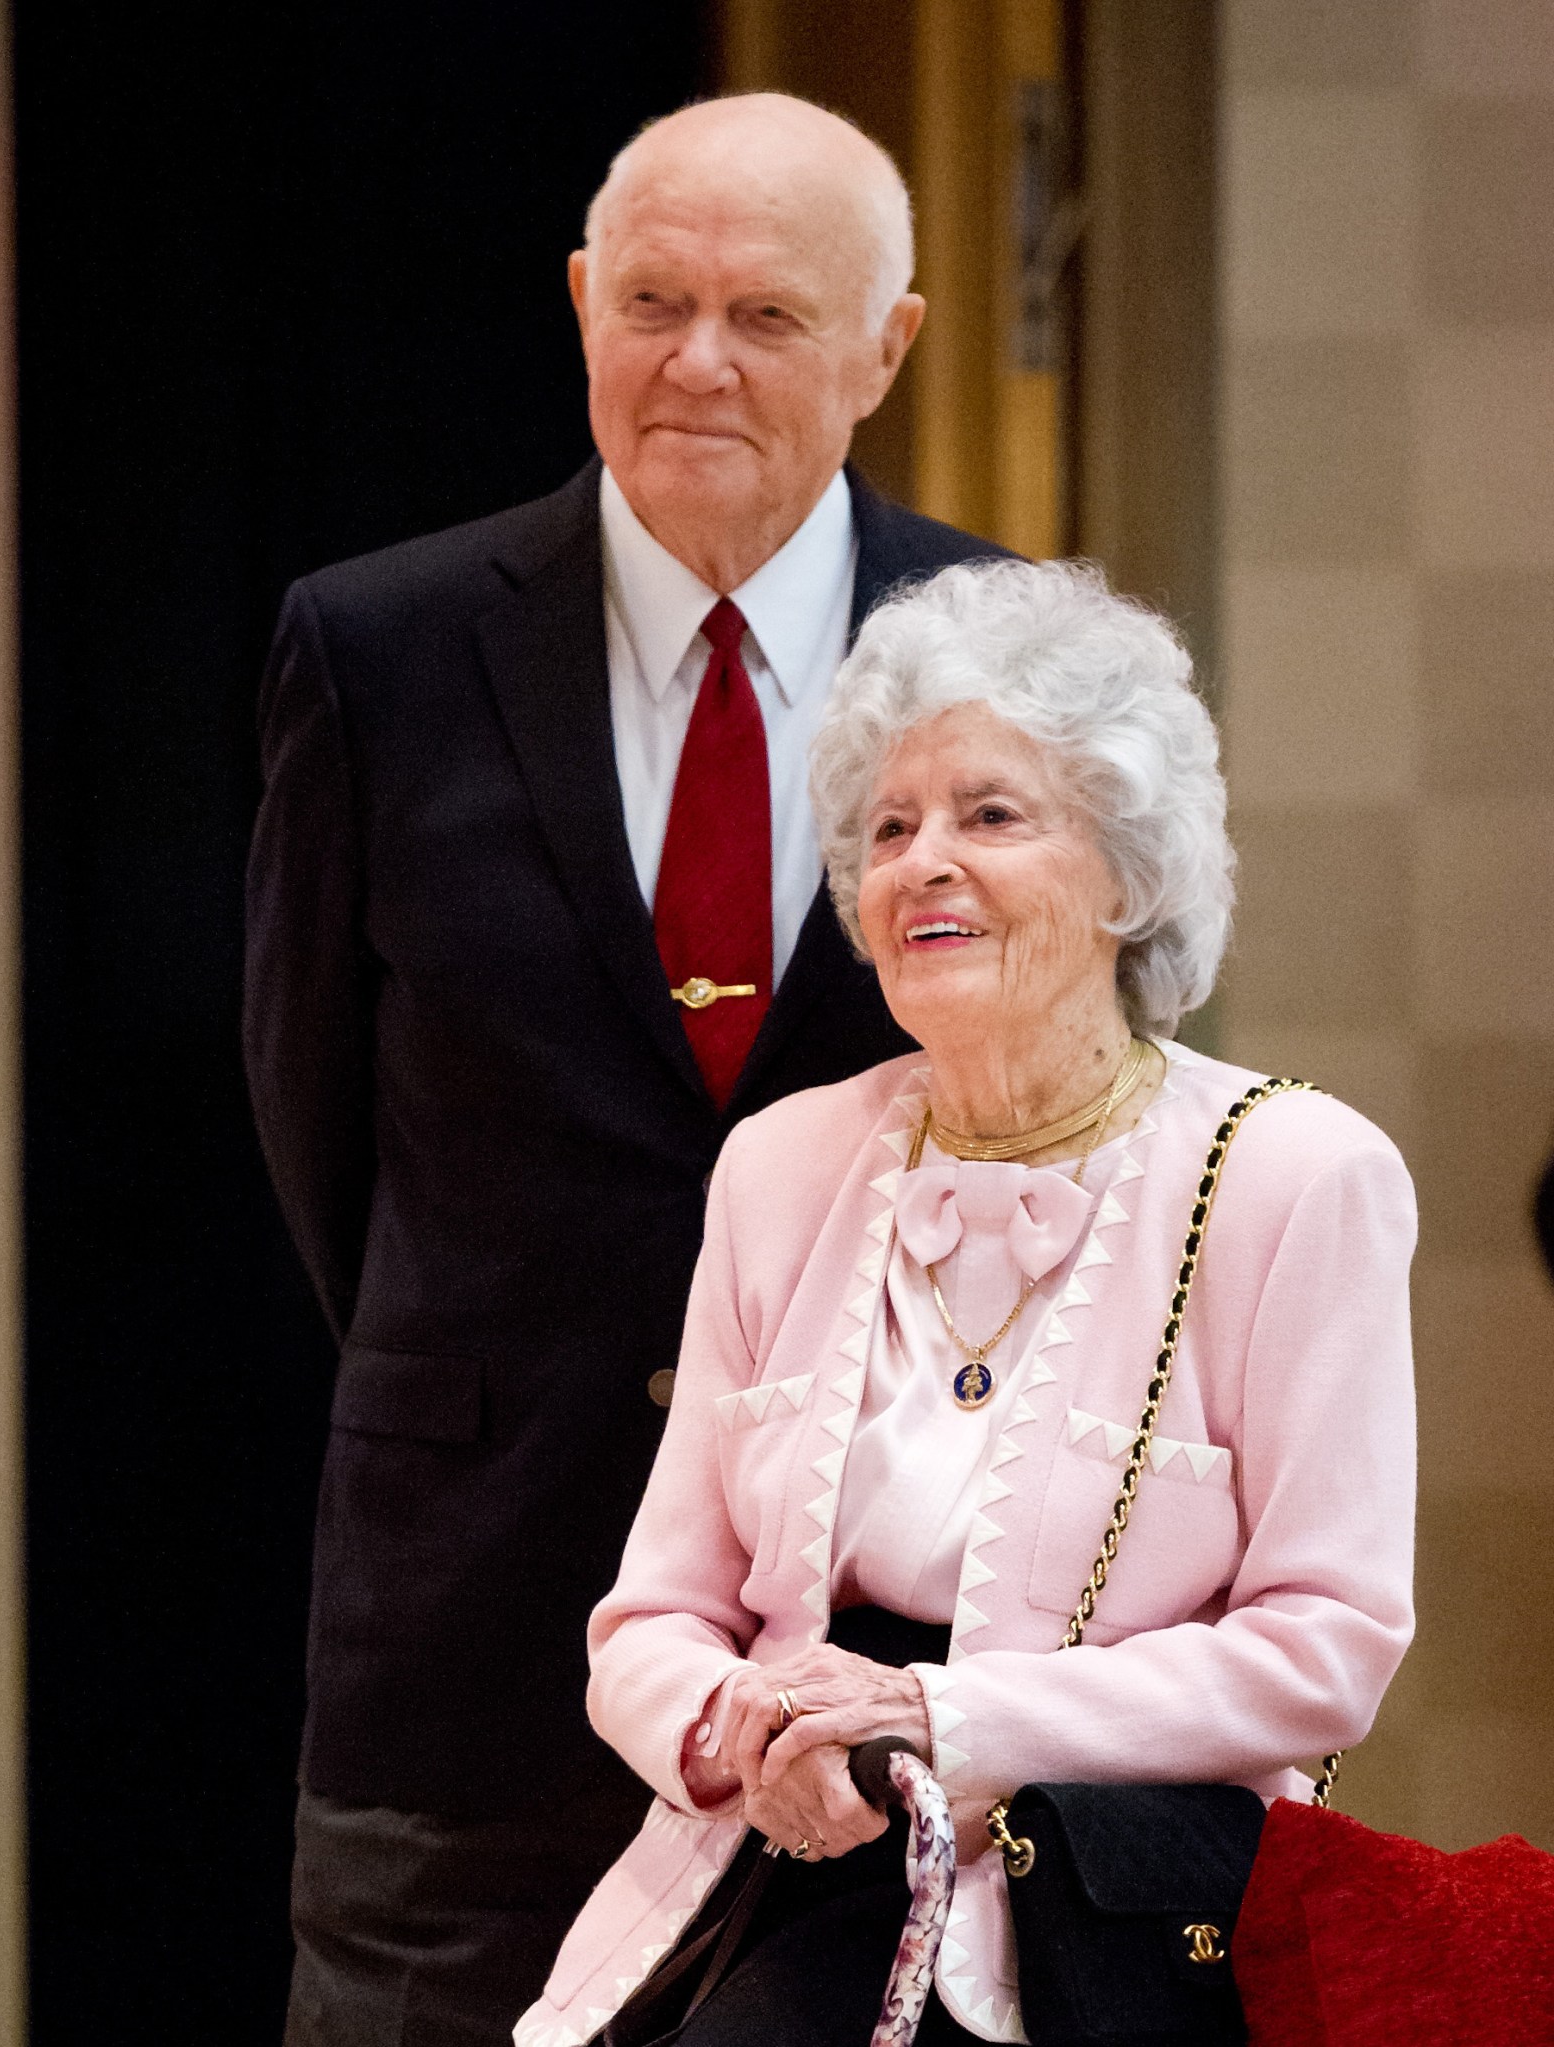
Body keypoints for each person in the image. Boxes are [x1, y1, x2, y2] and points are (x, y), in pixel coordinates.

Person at [245, 93, 1013, 2047]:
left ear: (887, 346)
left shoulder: (1022, 665)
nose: (693, 362)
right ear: (581, 302)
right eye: (649, 300)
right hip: (467, 1649)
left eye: (763, 315)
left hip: (873, 1664)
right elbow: (313, 1120)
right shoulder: (379, 648)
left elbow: (1085, 1140)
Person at [517, 559, 1417, 2047]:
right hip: (787, 1861)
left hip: (1104, 1913)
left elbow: (1325, 1650)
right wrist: (745, 1734)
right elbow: (652, 1619)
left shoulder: (1295, 1177)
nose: (923, 859)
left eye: (990, 815)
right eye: (888, 828)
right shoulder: (781, 1165)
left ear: (1128, 871)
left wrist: (943, 1723)